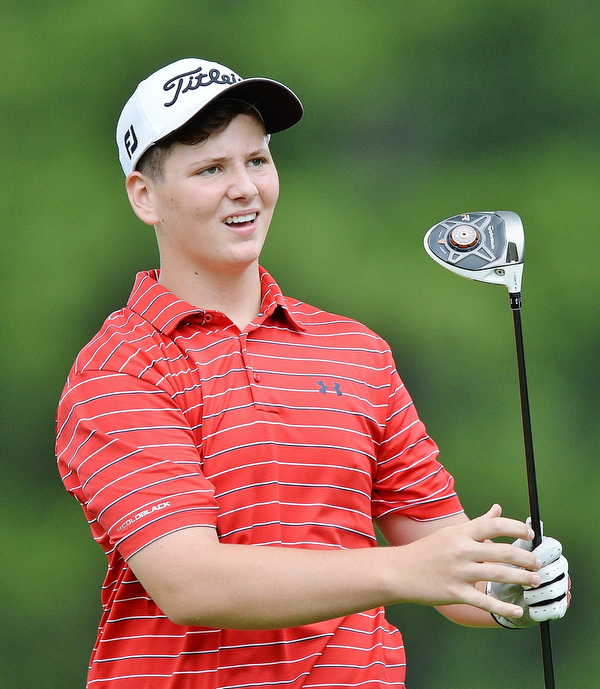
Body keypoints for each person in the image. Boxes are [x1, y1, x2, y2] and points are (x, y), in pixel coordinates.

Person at [55, 57, 569, 688]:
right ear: (145, 195)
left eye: (257, 160)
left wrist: (514, 585)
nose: (243, 187)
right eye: (210, 168)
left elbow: (450, 568)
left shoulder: (355, 352)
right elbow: (189, 581)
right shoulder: (119, 368)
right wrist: (402, 571)